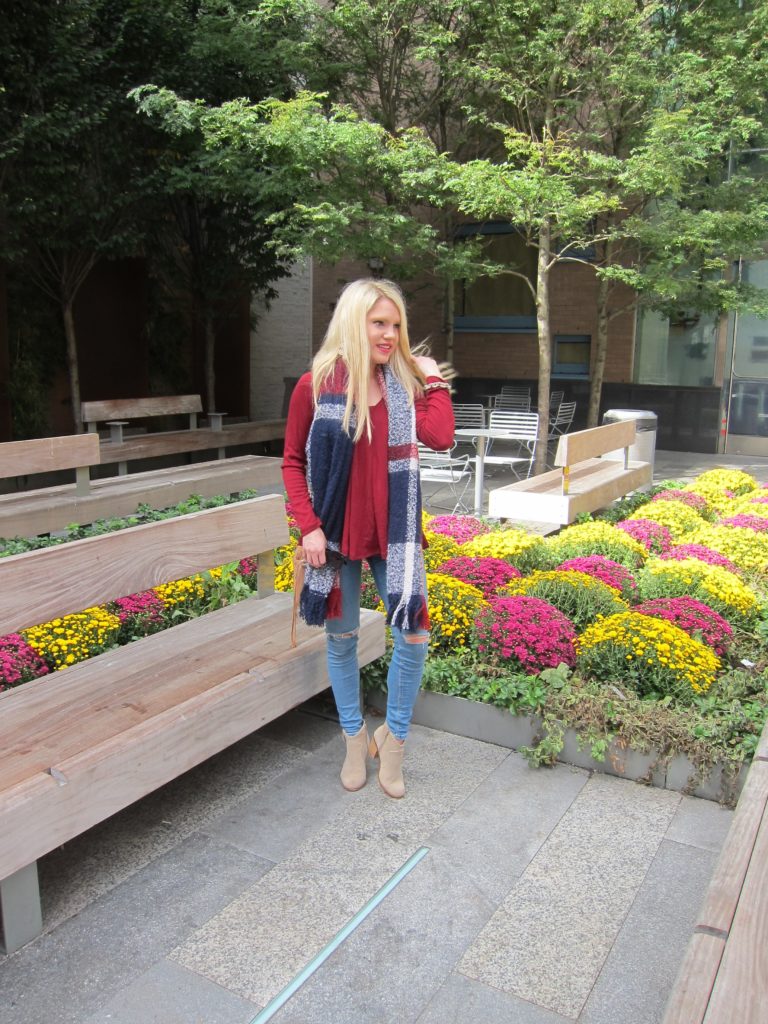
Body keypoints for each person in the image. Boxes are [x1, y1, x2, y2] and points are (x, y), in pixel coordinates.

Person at [282, 278, 454, 798]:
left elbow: (441, 437)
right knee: (341, 640)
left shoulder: (403, 384)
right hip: (334, 536)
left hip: (394, 534)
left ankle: (394, 739)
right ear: (355, 322)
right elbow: (292, 461)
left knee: (414, 635)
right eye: (379, 323)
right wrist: (307, 526)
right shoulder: (314, 385)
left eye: (396, 325)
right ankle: (354, 739)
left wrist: (433, 378)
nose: (389, 334)